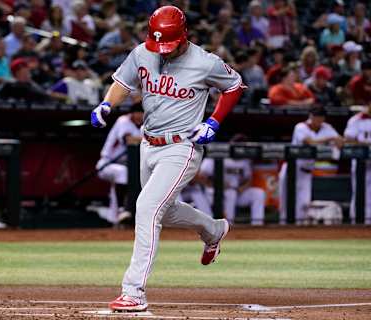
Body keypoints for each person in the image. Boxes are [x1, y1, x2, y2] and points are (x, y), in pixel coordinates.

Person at [90, 6, 244, 311]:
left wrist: (214, 121)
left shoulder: (204, 61)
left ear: (184, 36)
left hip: (182, 147)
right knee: (165, 210)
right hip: (148, 145)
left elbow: (234, 85)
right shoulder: (142, 53)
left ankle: (133, 292)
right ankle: (213, 230)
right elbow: (123, 82)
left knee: (146, 208)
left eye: (169, 45)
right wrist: (106, 105)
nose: (163, 51)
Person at [278, 107, 343, 224]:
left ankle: (298, 233)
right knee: (286, 202)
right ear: (310, 117)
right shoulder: (300, 127)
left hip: (307, 172)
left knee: (304, 205)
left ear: (323, 118)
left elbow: (340, 139)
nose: (317, 120)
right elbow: (310, 142)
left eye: (320, 117)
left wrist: (337, 141)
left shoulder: (326, 127)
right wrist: (330, 139)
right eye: (314, 117)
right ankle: (283, 229)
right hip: (292, 169)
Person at [199, 135, 266, 225]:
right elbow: (202, 177)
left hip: (236, 192)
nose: (240, 148)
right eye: (237, 144)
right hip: (214, 193)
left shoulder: (245, 160)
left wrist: (241, 188)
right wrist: (218, 185)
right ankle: (229, 224)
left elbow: (248, 179)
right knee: (231, 193)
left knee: (258, 193)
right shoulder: (217, 153)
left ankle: (257, 224)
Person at [95, 103, 144, 225]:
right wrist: (152, 139)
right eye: (137, 112)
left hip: (124, 165)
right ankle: (123, 209)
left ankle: (114, 221)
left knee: (119, 185)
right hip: (107, 163)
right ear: (131, 113)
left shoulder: (144, 125)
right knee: (122, 173)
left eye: (142, 113)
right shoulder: (123, 121)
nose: (139, 116)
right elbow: (130, 140)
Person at [344, 104, 371, 225]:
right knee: (359, 190)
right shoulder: (356, 120)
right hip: (360, 161)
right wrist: (363, 144)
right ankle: (357, 221)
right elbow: (348, 139)